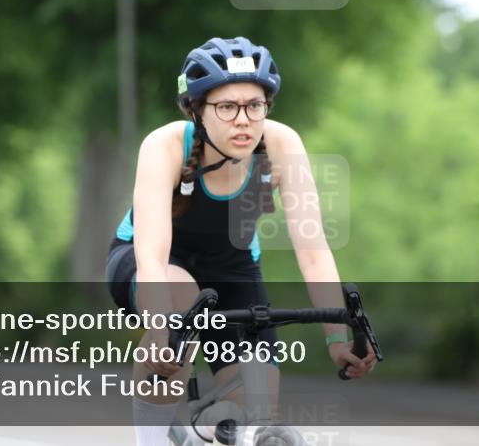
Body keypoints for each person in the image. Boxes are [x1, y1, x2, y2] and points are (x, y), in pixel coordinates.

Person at [105, 36, 376, 446]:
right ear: (196, 109)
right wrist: (160, 329)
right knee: (179, 302)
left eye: (255, 105)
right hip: (153, 265)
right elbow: (153, 252)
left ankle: (205, 429)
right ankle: (151, 439)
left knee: (252, 414)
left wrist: (338, 338)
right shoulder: (164, 146)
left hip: (232, 270)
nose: (244, 120)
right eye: (227, 107)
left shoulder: (282, 144)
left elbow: (314, 250)